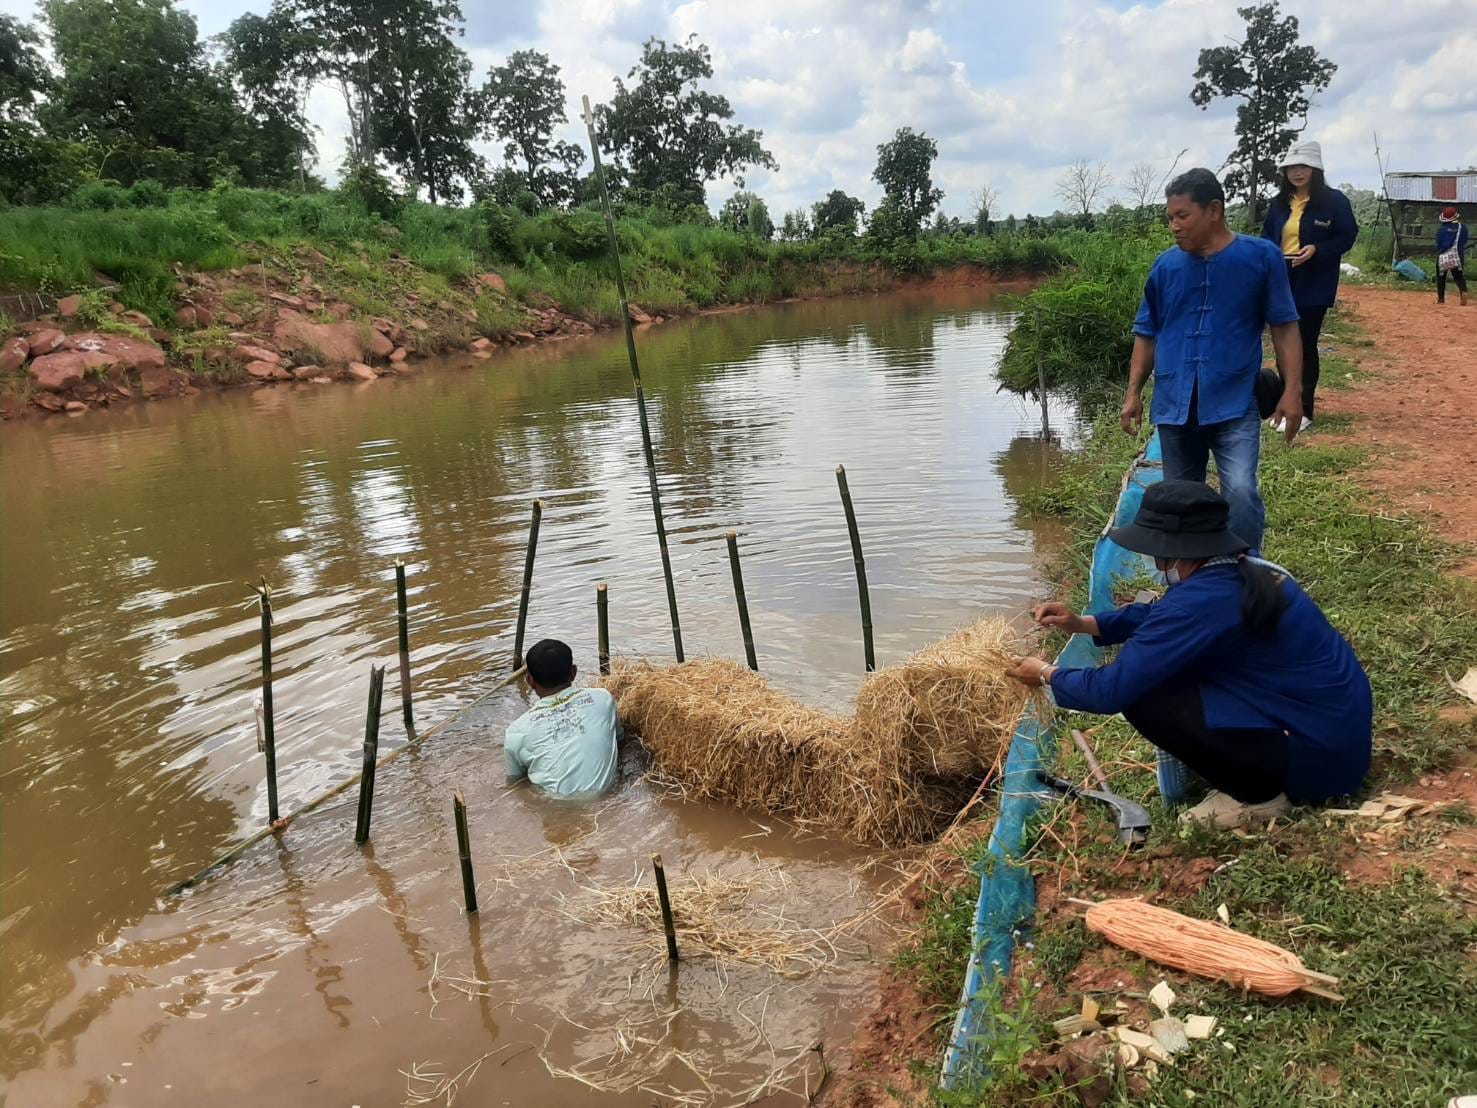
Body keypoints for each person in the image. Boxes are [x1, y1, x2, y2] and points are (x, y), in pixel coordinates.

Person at [1005, 480, 1372, 829]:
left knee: (1144, 695)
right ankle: (1253, 762)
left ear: (1171, 549)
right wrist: (1082, 623)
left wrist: (1045, 673)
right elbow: (1159, 617)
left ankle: (1258, 795)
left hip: (1316, 765)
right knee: (1166, 667)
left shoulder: (1201, 601)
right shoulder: (1241, 569)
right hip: (1335, 738)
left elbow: (1109, 690)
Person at [1123, 168, 1303, 555]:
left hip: (1234, 403)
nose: (1174, 226)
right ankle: (1190, 588)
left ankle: (1242, 573)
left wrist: (1292, 391)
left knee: (1240, 490)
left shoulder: (1260, 258)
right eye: (1170, 218)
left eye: (1182, 216)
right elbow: (1147, 332)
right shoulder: (1165, 267)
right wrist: (1133, 392)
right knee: (1181, 503)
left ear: (1214, 211)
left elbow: (1285, 327)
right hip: (1174, 405)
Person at [1260, 140, 1360, 423]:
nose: (1297, 172)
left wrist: (1318, 250)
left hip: (1314, 279)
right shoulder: (1279, 203)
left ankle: (1303, 410)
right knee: (1281, 340)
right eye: (1292, 167)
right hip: (1281, 275)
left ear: (1316, 169)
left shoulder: (1334, 201)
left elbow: (1346, 236)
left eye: (1303, 166)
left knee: (1304, 342)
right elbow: (1268, 236)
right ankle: (1283, 404)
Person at [505, 638, 622, 798]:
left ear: (529, 681)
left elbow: (515, 784)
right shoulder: (603, 698)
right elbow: (620, 739)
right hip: (608, 794)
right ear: (574, 672)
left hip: (556, 804)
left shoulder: (516, 731)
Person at [1435, 206, 1470, 306]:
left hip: (1443, 256)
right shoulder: (1463, 228)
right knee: (1458, 276)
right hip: (1458, 255)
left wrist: (1443, 249)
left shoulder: (1442, 229)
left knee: (1441, 277)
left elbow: (1439, 243)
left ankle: (1441, 299)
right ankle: (1463, 291)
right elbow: (1464, 241)